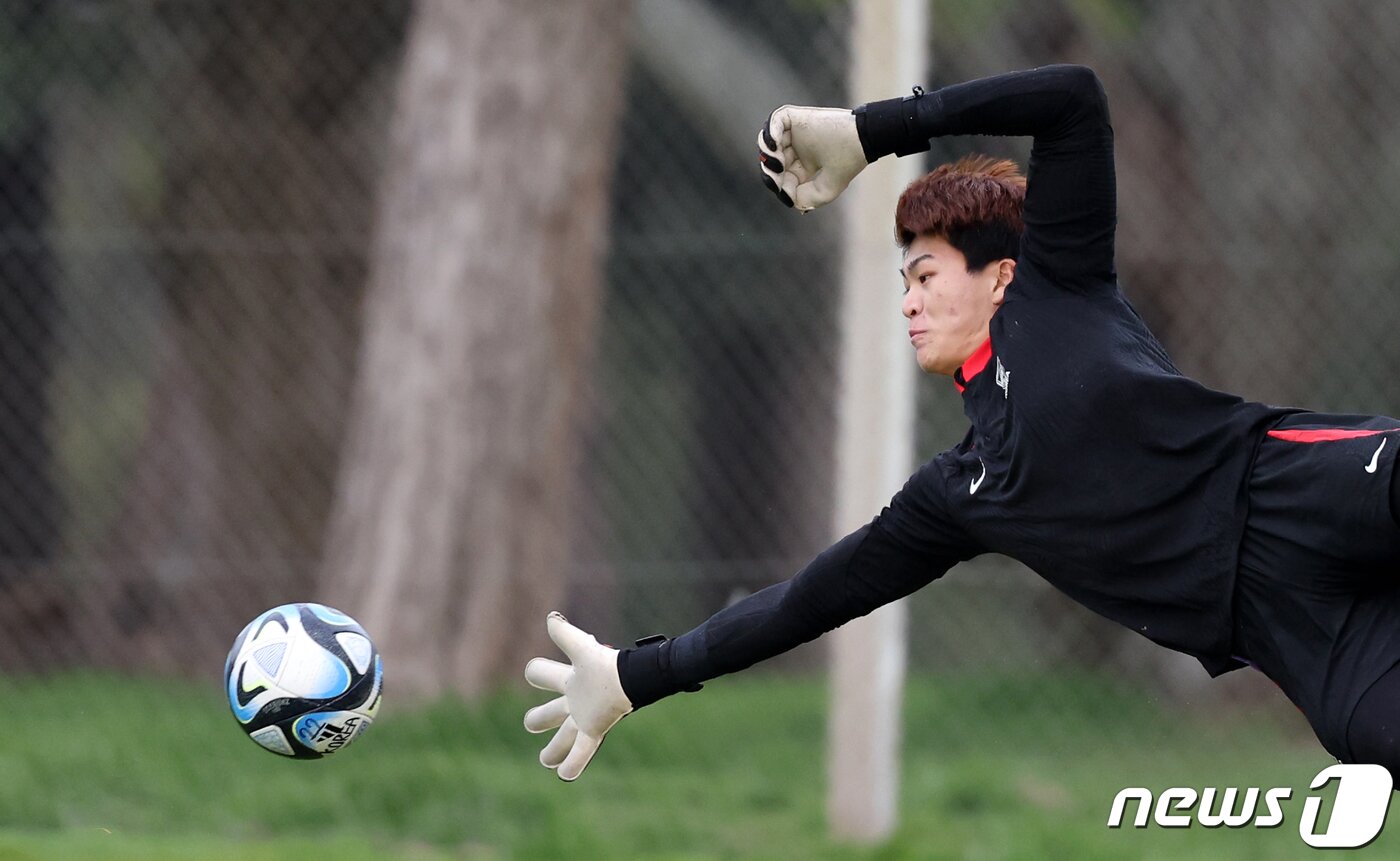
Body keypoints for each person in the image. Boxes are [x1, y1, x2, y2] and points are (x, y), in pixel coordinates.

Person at [522, 64, 1400, 784]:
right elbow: (811, 599)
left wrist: (873, 131)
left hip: (1310, 490)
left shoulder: (1059, 288)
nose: (907, 302)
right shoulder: (964, 490)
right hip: (1297, 632)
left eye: (925, 274)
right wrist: (637, 675)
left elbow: (1073, 101)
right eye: (902, 282)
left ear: (1000, 275)